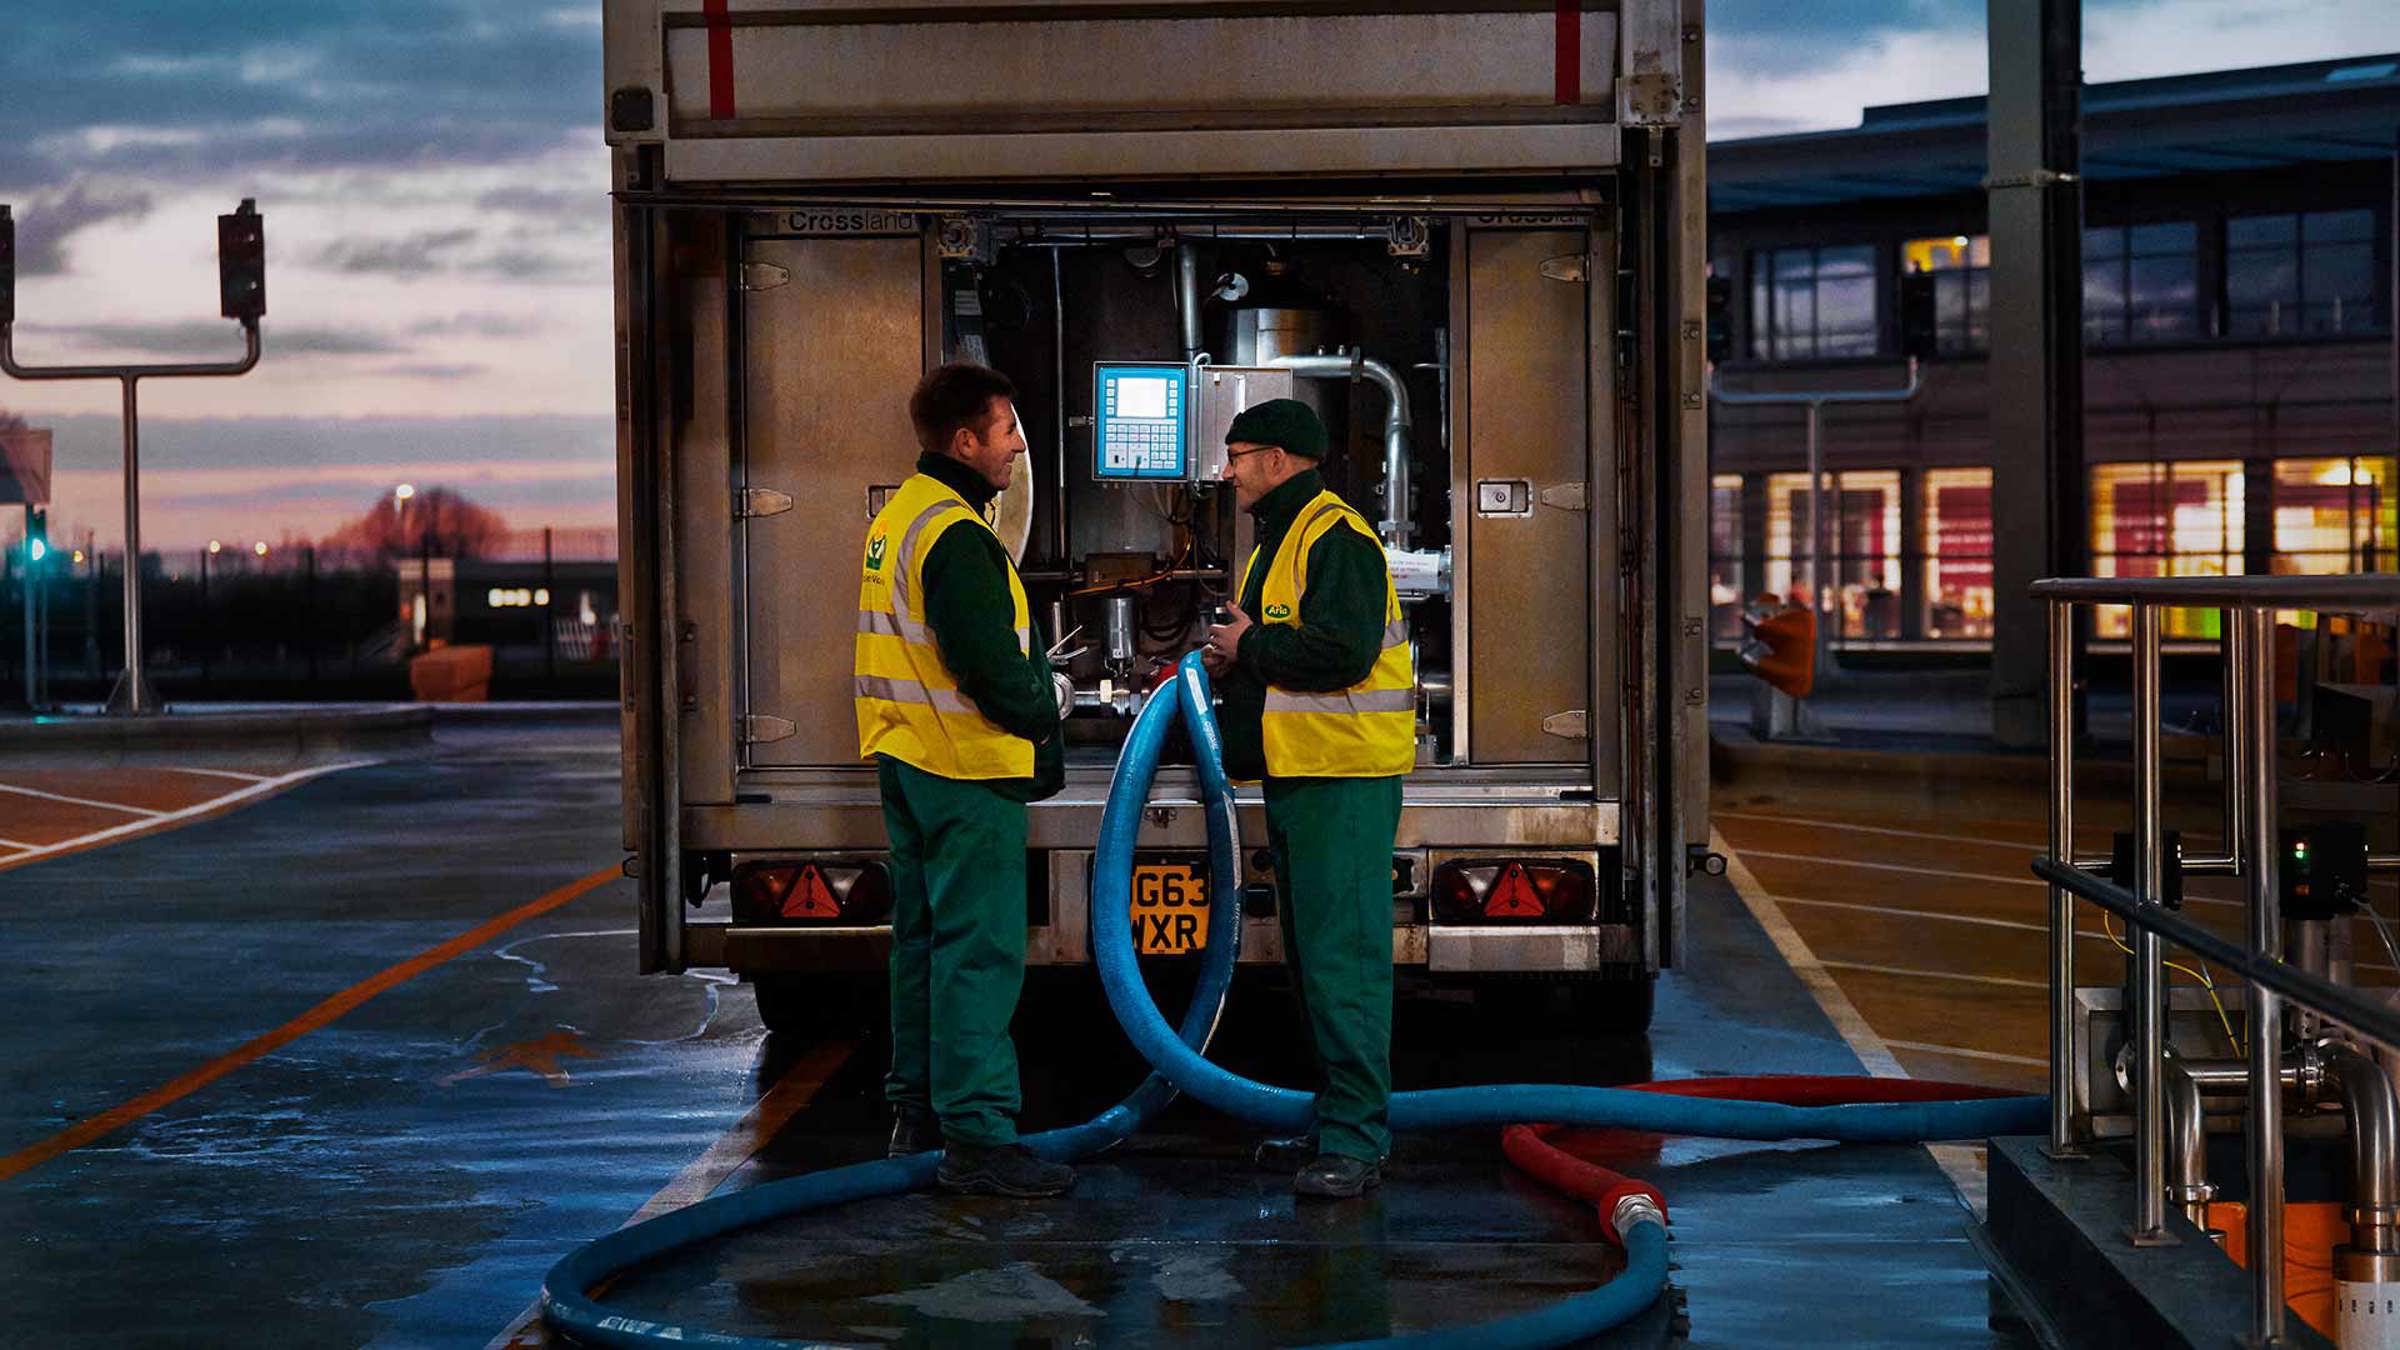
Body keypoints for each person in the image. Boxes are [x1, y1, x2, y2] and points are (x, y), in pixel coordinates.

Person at [855, 361, 1073, 1198]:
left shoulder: (900, 516)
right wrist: (1047, 695)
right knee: (979, 955)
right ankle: (979, 1137)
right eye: (1008, 429)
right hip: (964, 764)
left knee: (924, 943)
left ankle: (916, 1109)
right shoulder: (956, 534)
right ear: (965, 441)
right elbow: (991, 669)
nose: (1019, 445)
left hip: (909, 759)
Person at [1201, 399, 1414, 1200]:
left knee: (1344, 964)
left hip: (1344, 780)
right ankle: (1336, 1122)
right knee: (1312, 964)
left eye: (1239, 455)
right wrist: (1237, 658)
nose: (1229, 471)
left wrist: (1249, 645)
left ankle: (1358, 1140)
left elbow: (1341, 651)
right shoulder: (1282, 542)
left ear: (1282, 459)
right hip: (1302, 776)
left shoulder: (1337, 538)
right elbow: (1276, 641)